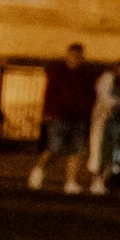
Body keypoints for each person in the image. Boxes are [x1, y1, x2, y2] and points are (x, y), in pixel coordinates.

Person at [32, 42, 96, 193]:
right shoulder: (58, 72)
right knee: (54, 147)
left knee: (77, 150)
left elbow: (90, 95)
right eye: (72, 56)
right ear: (68, 56)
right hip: (59, 115)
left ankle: (71, 181)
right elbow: (49, 94)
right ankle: (38, 169)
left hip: (78, 117)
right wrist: (48, 112)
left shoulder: (86, 75)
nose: (75, 59)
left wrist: (86, 111)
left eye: (78, 56)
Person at [88, 59, 120, 195]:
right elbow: (104, 97)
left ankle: (103, 180)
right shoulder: (107, 80)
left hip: (119, 125)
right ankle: (96, 180)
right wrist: (116, 103)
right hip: (104, 122)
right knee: (99, 153)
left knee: (115, 155)